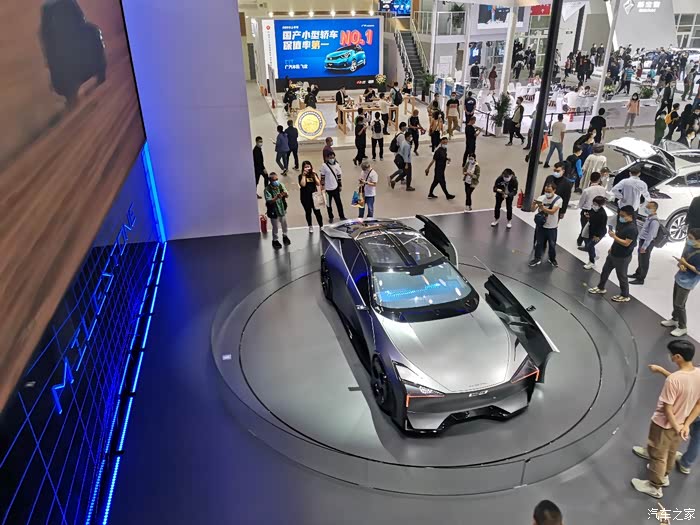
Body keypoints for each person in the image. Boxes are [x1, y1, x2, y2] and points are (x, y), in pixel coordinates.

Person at [630, 340, 700, 498]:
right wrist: (684, 426)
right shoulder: (698, 374)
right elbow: (698, 403)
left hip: (664, 425)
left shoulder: (673, 380)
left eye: (671, 354)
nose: (669, 356)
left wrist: (674, 426)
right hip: (681, 423)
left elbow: (668, 409)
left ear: (677, 357)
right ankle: (664, 476)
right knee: (671, 451)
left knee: (658, 454)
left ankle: (655, 486)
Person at [587, 205, 638, 302]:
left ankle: (625, 295)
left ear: (630, 216)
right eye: (620, 215)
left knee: (622, 276)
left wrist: (614, 236)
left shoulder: (632, 229)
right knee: (605, 271)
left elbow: (626, 243)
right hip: (613, 253)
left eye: (623, 216)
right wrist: (612, 246)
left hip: (622, 257)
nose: (620, 217)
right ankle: (600, 287)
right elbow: (619, 237)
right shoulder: (622, 224)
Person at [661, 228, 700, 337]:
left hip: (688, 282)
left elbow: (698, 271)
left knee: (680, 304)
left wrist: (685, 264)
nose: (688, 240)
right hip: (680, 277)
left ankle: (683, 327)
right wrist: (681, 264)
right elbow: (683, 258)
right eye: (688, 237)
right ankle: (675, 319)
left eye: (691, 238)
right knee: (675, 301)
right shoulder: (689, 246)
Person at [529, 182, 562, 267]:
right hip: (541, 226)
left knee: (552, 244)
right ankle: (537, 258)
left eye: (549, 191)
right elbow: (532, 210)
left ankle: (552, 259)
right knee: (539, 243)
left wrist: (542, 208)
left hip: (552, 227)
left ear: (554, 190)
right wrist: (534, 204)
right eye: (546, 191)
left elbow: (552, 211)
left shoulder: (558, 200)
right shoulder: (541, 198)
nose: (547, 193)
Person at [629, 201, 661, 285]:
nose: (646, 209)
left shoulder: (654, 221)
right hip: (642, 241)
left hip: (647, 243)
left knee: (644, 261)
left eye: (648, 207)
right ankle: (638, 273)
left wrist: (644, 246)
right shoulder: (649, 218)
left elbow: (650, 235)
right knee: (641, 259)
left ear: (654, 209)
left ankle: (641, 279)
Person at [577, 171, 608, 246]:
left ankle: (582, 241)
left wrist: (581, 207)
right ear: (599, 179)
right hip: (598, 211)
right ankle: (583, 241)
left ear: (590, 179)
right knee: (593, 227)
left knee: (585, 227)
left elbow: (581, 202)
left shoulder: (587, 190)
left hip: (587, 211)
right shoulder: (603, 189)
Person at [264, 172, 291, 249]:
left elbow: (286, 194)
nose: (276, 181)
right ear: (270, 181)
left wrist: (285, 194)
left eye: (277, 179)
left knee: (284, 224)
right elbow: (269, 201)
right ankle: (275, 240)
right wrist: (276, 197)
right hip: (274, 211)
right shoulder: (267, 189)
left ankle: (285, 236)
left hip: (282, 209)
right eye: (274, 180)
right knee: (275, 226)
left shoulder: (280, 185)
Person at [582, 195, 608, 270]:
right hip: (591, 229)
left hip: (598, 233)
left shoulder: (602, 214)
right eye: (593, 203)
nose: (593, 205)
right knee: (587, 242)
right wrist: (588, 216)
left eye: (596, 204)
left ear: (600, 205)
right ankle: (593, 255)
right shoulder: (593, 210)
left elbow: (602, 226)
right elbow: (592, 216)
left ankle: (592, 261)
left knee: (590, 245)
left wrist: (597, 236)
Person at [320, 151, 346, 222]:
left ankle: (342, 216)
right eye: (330, 157)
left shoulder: (337, 165)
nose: (332, 159)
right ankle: (331, 217)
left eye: (333, 157)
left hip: (335, 187)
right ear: (327, 158)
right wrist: (322, 186)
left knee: (339, 203)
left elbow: (339, 176)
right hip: (327, 189)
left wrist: (340, 185)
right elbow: (322, 176)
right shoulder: (324, 166)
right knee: (328, 204)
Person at [298, 161, 324, 232]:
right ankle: (310, 226)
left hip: (314, 196)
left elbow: (318, 183)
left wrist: (314, 174)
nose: (307, 168)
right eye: (305, 167)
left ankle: (321, 225)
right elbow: (303, 185)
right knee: (308, 212)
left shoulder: (314, 175)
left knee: (317, 212)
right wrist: (304, 175)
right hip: (305, 197)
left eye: (308, 166)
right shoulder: (300, 176)